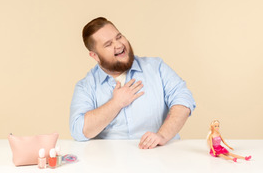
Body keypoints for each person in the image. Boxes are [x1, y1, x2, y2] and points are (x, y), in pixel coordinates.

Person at [69, 17, 196, 149]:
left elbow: (184, 100)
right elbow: (78, 131)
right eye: (108, 44)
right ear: (94, 56)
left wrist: (162, 135)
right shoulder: (85, 86)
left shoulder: (157, 67)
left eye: (119, 37)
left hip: (161, 157)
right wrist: (116, 103)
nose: (118, 45)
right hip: (113, 164)